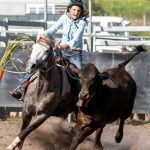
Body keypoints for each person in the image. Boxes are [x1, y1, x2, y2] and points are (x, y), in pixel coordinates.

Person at [9, 0, 88, 100]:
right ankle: (20, 89)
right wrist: (42, 35)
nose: (76, 12)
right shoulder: (64, 18)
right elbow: (53, 30)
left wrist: (63, 46)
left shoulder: (82, 22)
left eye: (78, 10)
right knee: (36, 63)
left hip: (75, 54)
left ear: (81, 12)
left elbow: (75, 39)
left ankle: (78, 101)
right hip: (61, 52)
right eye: (74, 10)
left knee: (78, 76)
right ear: (69, 9)